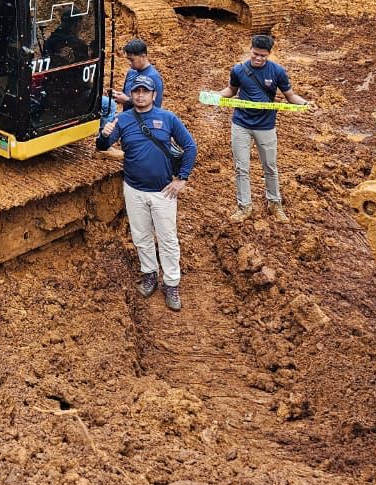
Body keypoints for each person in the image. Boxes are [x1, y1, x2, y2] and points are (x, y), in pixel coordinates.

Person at [96, 75, 197, 311]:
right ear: (131, 95)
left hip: (163, 192)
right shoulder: (122, 120)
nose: (140, 95)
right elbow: (102, 147)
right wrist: (103, 135)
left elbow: (190, 146)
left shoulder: (167, 118)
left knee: (167, 239)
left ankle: (171, 283)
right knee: (141, 236)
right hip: (133, 189)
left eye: (145, 91)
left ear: (153, 95)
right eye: (136, 91)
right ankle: (149, 273)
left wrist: (181, 179)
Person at [219, 33, 311, 224]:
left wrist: (306, 104)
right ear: (250, 50)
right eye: (255, 54)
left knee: (270, 167)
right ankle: (244, 206)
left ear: (269, 54)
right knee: (241, 168)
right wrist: (215, 95)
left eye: (263, 56)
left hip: (265, 126)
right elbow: (231, 91)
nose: (258, 59)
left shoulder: (277, 72)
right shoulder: (238, 70)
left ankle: (274, 203)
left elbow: (290, 96)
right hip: (241, 124)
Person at [101, 38, 165, 124]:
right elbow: (127, 94)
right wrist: (117, 96)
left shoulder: (153, 77)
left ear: (143, 57)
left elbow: (155, 107)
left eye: (132, 60)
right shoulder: (131, 72)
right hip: (128, 120)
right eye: (128, 59)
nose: (129, 63)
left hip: (142, 124)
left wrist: (127, 100)